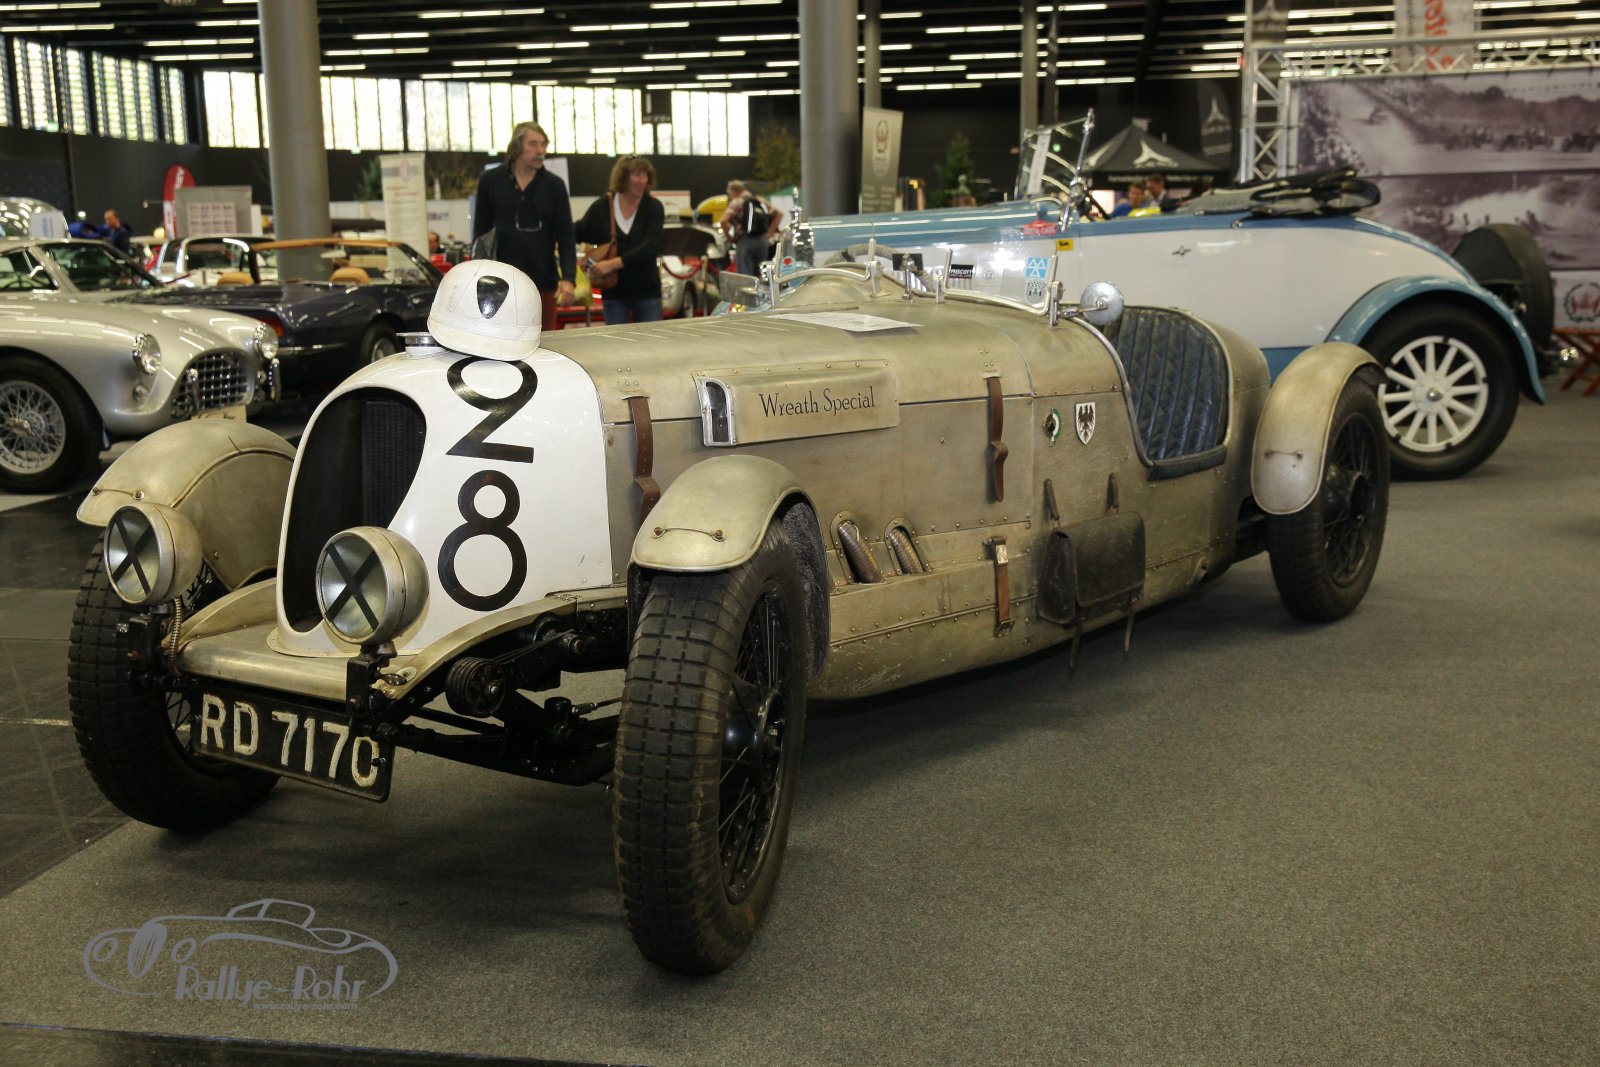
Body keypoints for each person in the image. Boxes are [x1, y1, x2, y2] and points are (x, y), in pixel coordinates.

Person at [472, 121, 577, 325]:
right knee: (501, 341)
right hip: (500, 285)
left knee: (545, 341)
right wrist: (479, 277)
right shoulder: (490, 181)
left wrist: (568, 278)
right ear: (517, 146)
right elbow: (480, 235)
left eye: (543, 145)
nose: (540, 151)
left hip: (544, 284)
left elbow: (566, 236)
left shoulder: (555, 186)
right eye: (533, 144)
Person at [575, 154, 665, 325]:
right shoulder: (603, 206)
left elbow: (650, 247)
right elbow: (579, 232)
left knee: (651, 340)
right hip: (614, 294)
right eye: (636, 174)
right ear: (623, 177)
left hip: (647, 291)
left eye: (645, 175)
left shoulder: (653, 207)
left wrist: (612, 264)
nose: (642, 180)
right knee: (616, 341)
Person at [721, 179, 782, 277]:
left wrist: (730, 238)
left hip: (745, 240)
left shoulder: (736, 202)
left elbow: (723, 221)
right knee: (761, 273)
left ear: (734, 192)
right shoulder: (759, 200)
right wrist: (770, 232)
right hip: (762, 240)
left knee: (746, 277)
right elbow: (779, 214)